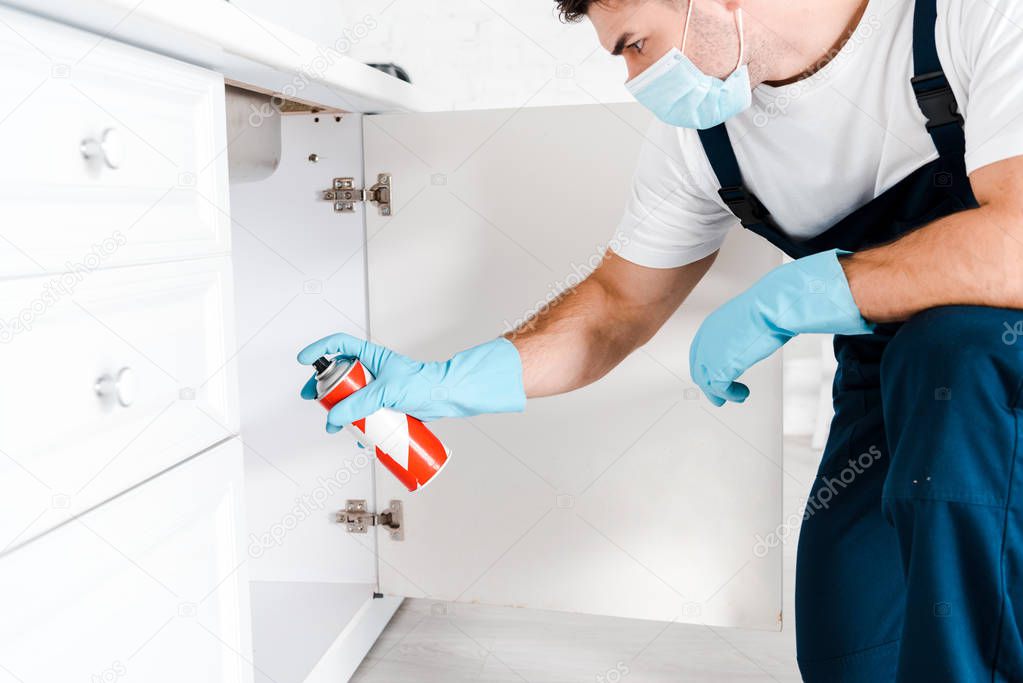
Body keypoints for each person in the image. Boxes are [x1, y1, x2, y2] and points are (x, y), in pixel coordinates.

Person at [298, 0, 1023, 680]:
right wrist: (445, 380)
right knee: (854, 643)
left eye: (635, 45)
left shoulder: (966, 17)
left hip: (991, 358)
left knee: (953, 371)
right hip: (887, 367)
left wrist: (803, 293)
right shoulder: (704, 138)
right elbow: (614, 306)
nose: (634, 76)